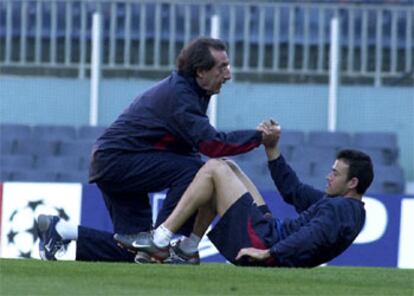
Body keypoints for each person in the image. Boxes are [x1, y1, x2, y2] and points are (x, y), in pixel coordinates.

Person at [36, 37, 275, 263]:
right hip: (117, 161)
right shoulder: (181, 96)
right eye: (221, 67)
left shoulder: (191, 92)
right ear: (200, 71)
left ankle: (62, 231)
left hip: (112, 161)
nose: (228, 74)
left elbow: (191, 145)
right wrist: (258, 137)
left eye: (228, 66)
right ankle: (163, 240)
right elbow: (212, 145)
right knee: (197, 171)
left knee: (137, 253)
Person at [115, 121, 374, 267]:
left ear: (352, 182)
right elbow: (293, 191)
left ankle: (161, 238)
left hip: (265, 243)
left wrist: (269, 253)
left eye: (335, 173)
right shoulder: (342, 207)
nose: (329, 176)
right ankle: (188, 249)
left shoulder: (341, 209)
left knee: (215, 167)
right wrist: (272, 149)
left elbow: (311, 236)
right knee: (227, 166)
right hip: (270, 233)